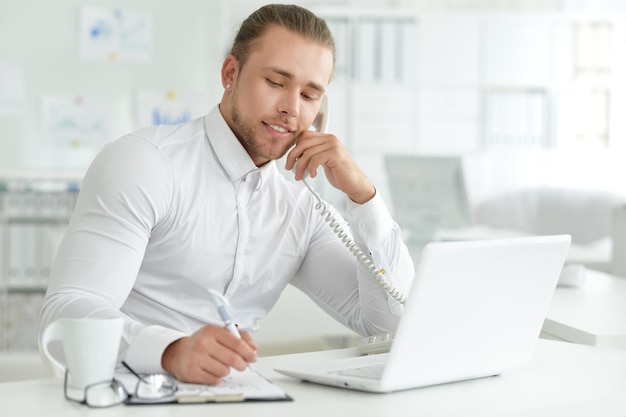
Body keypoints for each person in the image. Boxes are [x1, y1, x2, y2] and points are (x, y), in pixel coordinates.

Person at [39, 3, 415, 385]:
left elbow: (390, 322)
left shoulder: (299, 209)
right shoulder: (145, 163)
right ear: (230, 73)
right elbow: (66, 313)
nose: (290, 109)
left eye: (309, 95)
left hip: (237, 400)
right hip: (125, 396)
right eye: (276, 82)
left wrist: (364, 198)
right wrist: (169, 351)